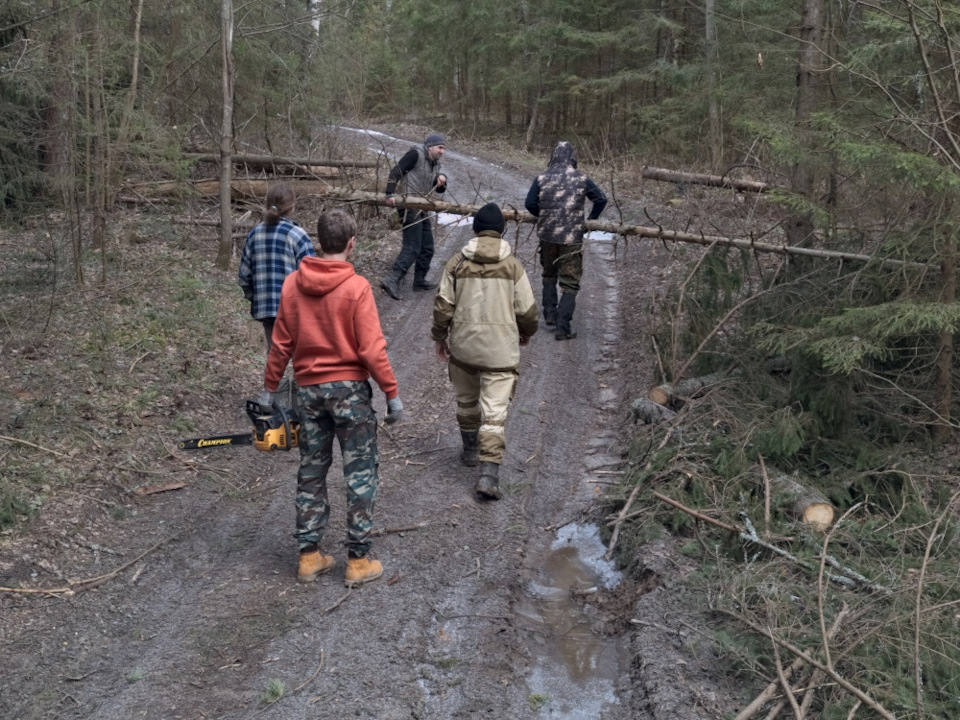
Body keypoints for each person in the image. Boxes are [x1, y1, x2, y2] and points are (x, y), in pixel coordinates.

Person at [263, 209, 404, 587]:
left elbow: (281, 344)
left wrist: (269, 388)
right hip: (349, 393)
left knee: (312, 468)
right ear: (351, 244)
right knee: (360, 472)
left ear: (318, 242)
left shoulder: (292, 285)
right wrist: (391, 393)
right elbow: (371, 349)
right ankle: (357, 561)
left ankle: (309, 556)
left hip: (309, 393)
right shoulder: (357, 287)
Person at [430, 202, 539, 500]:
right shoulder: (513, 266)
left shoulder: (456, 264)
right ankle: (488, 476)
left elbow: (443, 306)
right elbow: (527, 311)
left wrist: (439, 337)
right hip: (500, 353)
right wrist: (526, 333)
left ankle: (469, 450)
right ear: (502, 232)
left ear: (475, 231)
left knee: (466, 401)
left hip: (463, 349)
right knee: (494, 414)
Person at [524, 141, 607, 341]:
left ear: (553, 157)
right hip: (572, 237)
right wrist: (589, 222)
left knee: (549, 273)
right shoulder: (581, 178)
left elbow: (529, 203)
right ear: (572, 158)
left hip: (547, 235)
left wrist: (544, 215)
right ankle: (563, 327)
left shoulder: (541, 177)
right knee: (570, 281)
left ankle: (550, 315)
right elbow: (601, 199)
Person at [238, 183, 316, 353]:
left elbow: (244, 276)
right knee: (300, 359)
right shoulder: (298, 235)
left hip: (266, 309)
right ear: (292, 206)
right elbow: (312, 279)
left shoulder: (254, 234)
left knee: (274, 357)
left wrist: (256, 298)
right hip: (295, 310)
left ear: (267, 204)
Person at [380, 133, 448, 299]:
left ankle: (419, 280)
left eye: (443, 148)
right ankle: (392, 279)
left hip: (422, 208)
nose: (442, 151)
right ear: (430, 147)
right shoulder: (415, 154)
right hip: (408, 206)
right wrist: (389, 194)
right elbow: (396, 172)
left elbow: (438, 189)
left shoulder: (435, 164)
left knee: (427, 247)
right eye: (440, 148)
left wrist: (442, 179)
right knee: (413, 246)